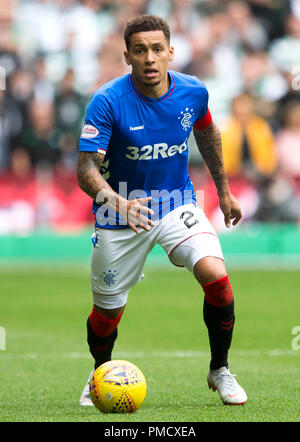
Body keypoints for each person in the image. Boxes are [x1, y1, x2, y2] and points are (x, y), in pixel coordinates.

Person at [77, 14, 247, 407]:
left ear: (171, 52)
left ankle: (219, 368)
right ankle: (101, 373)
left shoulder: (193, 92)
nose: (149, 58)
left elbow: (207, 132)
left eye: (157, 49)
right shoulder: (107, 101)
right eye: (140, 50)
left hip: (177, 203)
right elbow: (86, 170)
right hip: (119, 213)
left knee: (216, 275)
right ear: (127, 56)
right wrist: (117, 202)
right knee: (107, 314)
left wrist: (223, 191)